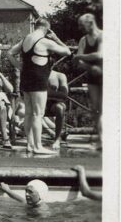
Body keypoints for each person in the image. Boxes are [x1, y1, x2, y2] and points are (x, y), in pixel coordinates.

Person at [7, 18, 71, 154]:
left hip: (26, 80)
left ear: (35, 26)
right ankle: (38, 146)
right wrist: (56, 38)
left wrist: (19, 66)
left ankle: (30, 145)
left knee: (29, 114)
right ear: (47, 29)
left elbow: (9, 53)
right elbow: (67, 52)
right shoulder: (45, 41)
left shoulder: (25, 39)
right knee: (38, 114)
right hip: (38, 80)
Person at [73, 13, 102, 150]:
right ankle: (101, 140)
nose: (79, 28)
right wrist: (91, 67)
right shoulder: (83, 40)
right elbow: (78, 63)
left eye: (82, 25)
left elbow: (100, 54)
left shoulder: (102, 36)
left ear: (90, 23)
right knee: (96, 109)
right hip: (93, 76)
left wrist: (81, 55)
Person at [45, 70, 69, 149]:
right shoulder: (36, 73)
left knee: (60, 108)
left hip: (54, 104)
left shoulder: (59, 75)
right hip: (40, 103)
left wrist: (46, 92)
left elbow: (64, 95)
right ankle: (32, 141)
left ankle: (57, 139)